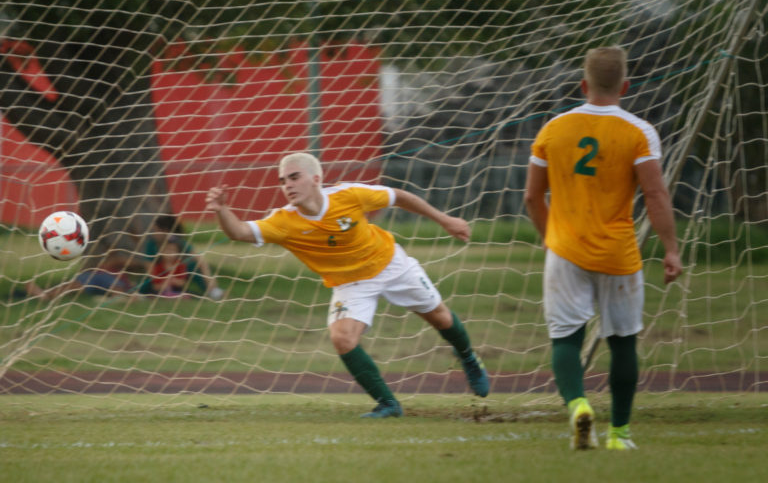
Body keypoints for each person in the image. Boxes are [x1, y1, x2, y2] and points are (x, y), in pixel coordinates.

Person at [205, 152, 490, 418]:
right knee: (342, 338)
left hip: (391, 264)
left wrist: (445, 220)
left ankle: (468, 358)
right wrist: (221, 210)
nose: (287, 185)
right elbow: (240, 232)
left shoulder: (349, 195)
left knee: (440, 317)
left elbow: (399, 197)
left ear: (316, 179)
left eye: (294, 177)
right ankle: (388, 404)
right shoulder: (283, 222)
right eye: (282, 181)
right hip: (350, 284)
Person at [524, 46, 683, 450]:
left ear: (583, 84)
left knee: (565, 339)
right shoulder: (639, 132)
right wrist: (671, 249)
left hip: (565, 251)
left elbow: (531, 197)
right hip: (618, 253)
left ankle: (578, 405)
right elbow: (656, 195)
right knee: (624, 341)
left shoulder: (553, 129)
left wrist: (550, 237)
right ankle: (619, 434)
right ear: (626, 86)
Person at [140, 214, 224, 300]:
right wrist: (162, 281)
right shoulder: (151, 244)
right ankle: (143, 294)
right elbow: (149, 267)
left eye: (155, 230)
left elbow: (200, 260)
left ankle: (213, 291)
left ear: (165, 230)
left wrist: (211, 283)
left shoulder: (178, 242)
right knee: (147, 281)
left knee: (194, 267)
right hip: (160, 273)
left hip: (176, 271)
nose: (153, 233)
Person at [25, 249, 137, 301]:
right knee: (76, 285)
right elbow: (115, 261)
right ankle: (46, 294)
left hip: (110, 281)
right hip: (100, 276)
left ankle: (46, 294)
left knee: (76, 285)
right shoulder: (111, 264)